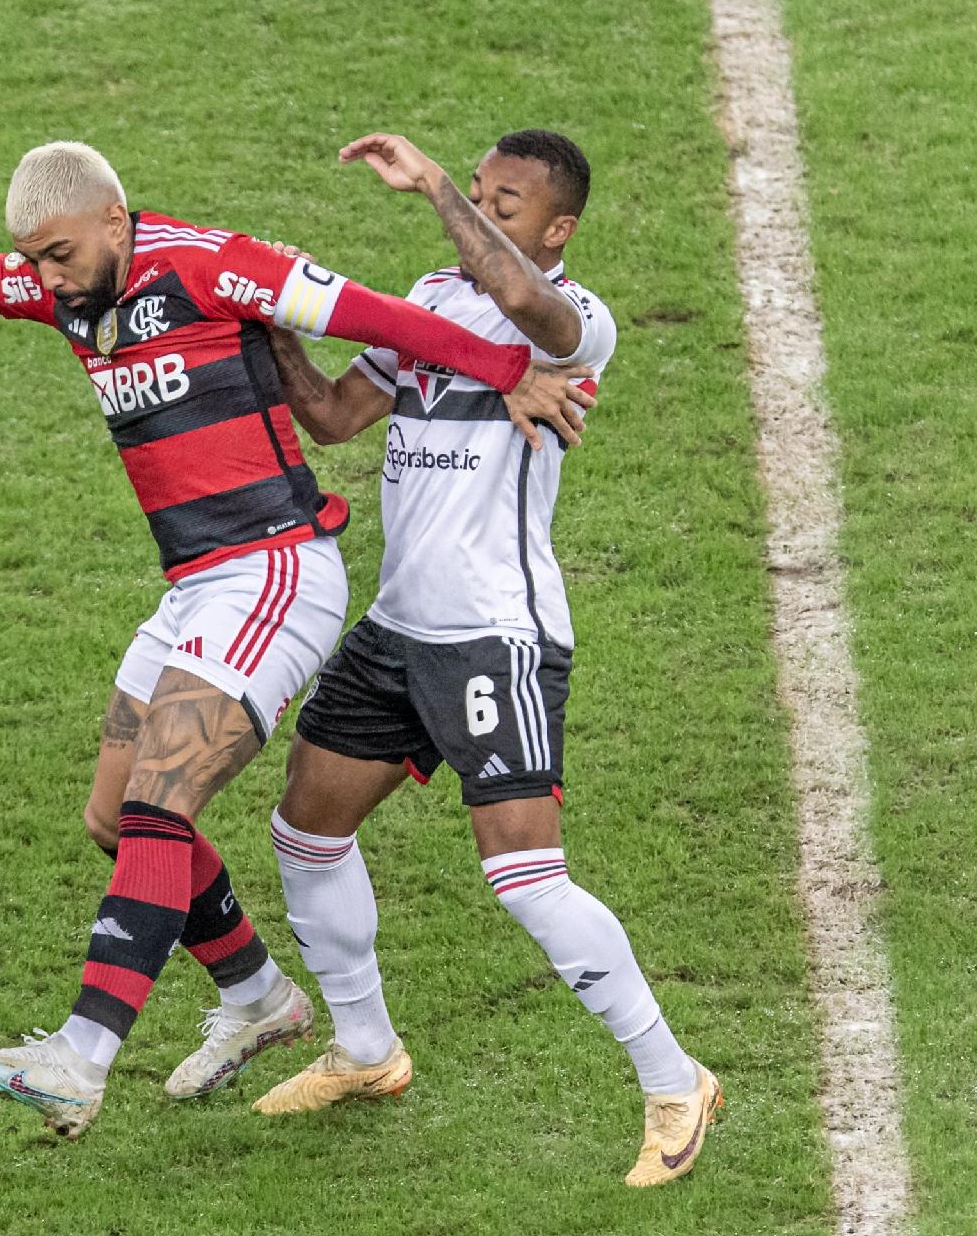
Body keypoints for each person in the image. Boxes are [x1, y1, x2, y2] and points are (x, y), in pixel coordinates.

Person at [0, 141, 592, 1138]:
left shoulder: (211, 265)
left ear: (114, 221)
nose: (46, 280)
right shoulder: (67, 291)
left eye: (61, 255)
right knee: (118, 815)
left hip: (275, 573)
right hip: (195, 589)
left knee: (164, 799)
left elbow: (379, 317)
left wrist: (511, 369)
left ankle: (81, 1054)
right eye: (31, 260)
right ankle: (259, 997)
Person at [251, 130, 722, 1186]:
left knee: (523, 873)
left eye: (502, 206)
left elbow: (530, 312)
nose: (476, 214)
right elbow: (332, 416)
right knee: (306, 827)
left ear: (557, 231)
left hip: (495, 631)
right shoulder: (428, 301)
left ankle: (673, 1078)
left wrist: (428, 193)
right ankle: (367, 1051)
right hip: (399, 626)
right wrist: (269, 320)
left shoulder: (576, 325)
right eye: (474, 193)